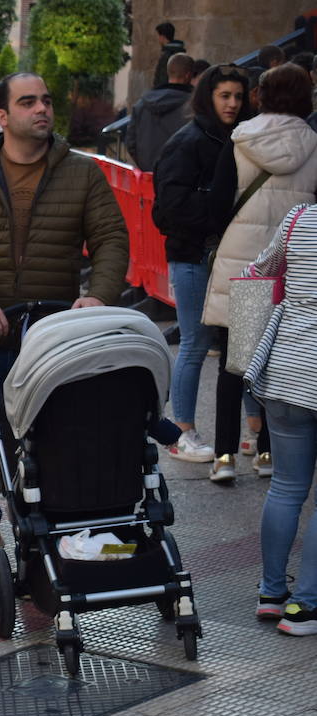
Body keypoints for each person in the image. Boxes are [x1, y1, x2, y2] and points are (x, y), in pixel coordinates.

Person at [0, 72, 128, 578]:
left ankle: (56, 528)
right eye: (28, 102)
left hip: (54, 334)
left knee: (57, 433)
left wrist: (99, 297)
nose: (42, 108)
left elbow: (111, 238)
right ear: (2, 116)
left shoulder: (81, 172)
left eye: (46, 99)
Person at [203, 63, 317, 484]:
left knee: (234, 365)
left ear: (261, 97)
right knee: (278, 364)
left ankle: (224, 458)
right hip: (295, 273)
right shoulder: (315, 146)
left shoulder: (240, 141)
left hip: (245, 268)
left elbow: (216, 209)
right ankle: (267, 452)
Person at [151, 64, 253, 464]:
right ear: (208, 96)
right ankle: (183, 430)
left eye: (238, 96)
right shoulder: (189, 140)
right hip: (194, 255)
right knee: (195, 343)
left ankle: (252, 432)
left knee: (238, 346)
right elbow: (168, 207)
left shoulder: (240, 137)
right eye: (224, 95)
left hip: (228, 256)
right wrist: (215, 212)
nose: (232, 103)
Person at [243, 204, 317, 632]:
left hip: (286, 367)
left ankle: (272, 593)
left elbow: (256, 274)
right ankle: (305, 606)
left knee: (287, 487)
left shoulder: (297, 218)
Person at [127, 53, 195, 172]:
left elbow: (130, 142)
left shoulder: (141, 104)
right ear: (188, 75)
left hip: (149, 175)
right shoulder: (195, 106)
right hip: (180, 177)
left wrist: (145, 165)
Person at [153, 22, 187, 89]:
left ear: (162, 37)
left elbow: (162, 80)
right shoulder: (183, 55)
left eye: (158, 36)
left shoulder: (166, 56)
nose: (158, 39)